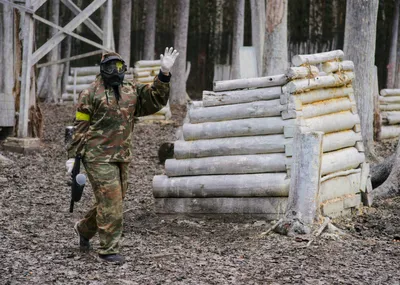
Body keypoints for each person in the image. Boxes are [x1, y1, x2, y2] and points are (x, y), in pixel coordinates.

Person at [66, 47, 179, 264]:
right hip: (96, 156)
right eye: (111, 67)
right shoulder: (89, 94)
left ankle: (84, 229)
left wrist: (164, 74)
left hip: (121, 155)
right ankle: (109, 249)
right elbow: (79, 127)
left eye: (119, 67)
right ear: (102, 69)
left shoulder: (130, 90)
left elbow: (155, 100)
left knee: (113, 199)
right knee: (112, 201)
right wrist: (73, 157)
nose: (115, 71)